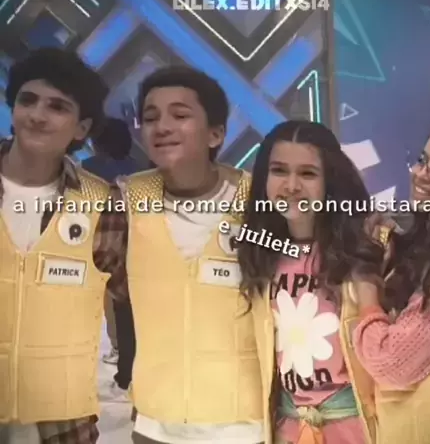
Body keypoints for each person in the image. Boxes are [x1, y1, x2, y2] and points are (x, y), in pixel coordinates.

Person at [99, 66, 273, 443]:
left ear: (216, 133)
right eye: (150, 117)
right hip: (155, 424)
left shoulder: (257, 202)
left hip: (242, 424)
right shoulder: (128, 199)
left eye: (179, 115)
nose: (162, 127)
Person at [0, 47, 127, 443]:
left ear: (81, 128)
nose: (37, 115)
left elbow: (137, 297)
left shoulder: (102, 204)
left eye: (57, 107)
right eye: (28, 100)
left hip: (60, 425)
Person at [236, 120, 388, 444]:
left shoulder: (371, 246)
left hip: (361, 429)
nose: (291, 185)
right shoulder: (259, 254)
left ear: (329, 180)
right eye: (279, 171)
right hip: (289, 429)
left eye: (307, 174)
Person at [352, 117, 430, 443]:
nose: (421, 174)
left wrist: (367, 296)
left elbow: (391, 363)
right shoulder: (415, 242)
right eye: (423, 161)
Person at [82, 117, 138, 402]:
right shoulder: (141, 169)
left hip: (99, 248)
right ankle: (128, 374)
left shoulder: (88, 169)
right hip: (138, 250)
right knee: (130, 315)